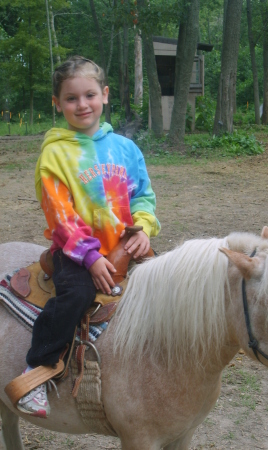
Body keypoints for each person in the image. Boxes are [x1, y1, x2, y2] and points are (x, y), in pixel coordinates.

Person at [17, 56, 160, 418]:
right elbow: (60, 215)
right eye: (71, 98)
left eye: (90, 95)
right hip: (76, 250)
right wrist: (91, 257)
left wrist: (143, 228)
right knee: (77, 294)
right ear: (57, 103)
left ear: (105, 95)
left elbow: (142, 195)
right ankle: (38, 369)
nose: (82, 105)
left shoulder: (126, 149)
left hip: (125, 245)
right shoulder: (55, 154)